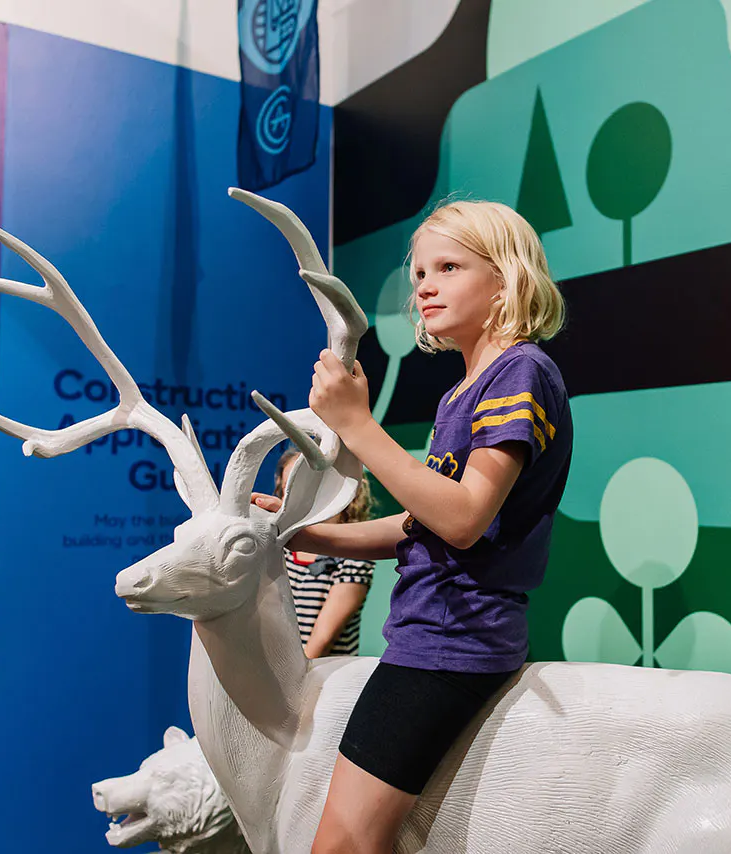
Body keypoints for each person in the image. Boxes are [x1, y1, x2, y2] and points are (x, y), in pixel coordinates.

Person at [254, 200, 571, 854]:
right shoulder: (461, 392)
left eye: (448, 266)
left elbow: (461, 519)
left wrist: (357, 426)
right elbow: (418, 525)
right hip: (427, 636)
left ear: (508, 279)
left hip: (451, 643)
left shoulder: (521, 370)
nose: (423, 284)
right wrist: (301, 533)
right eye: (420, 270)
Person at [274, 447, 376, 657]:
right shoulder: (276, 551)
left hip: (327, 680)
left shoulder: (353, 554)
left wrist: (289, 684)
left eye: (306, 485)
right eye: (287, 488)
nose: (295, 495)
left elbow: (323, 639)